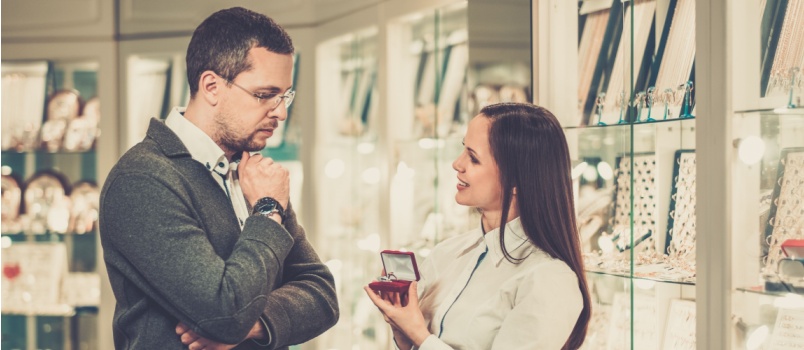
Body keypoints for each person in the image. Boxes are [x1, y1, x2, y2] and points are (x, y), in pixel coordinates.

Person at [99, 7, 338, 350]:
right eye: (264, 95)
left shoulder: (252, 174)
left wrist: (254, 324)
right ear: (211, 86)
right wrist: (268, 209)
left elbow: (322, 294)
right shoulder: (142, 180)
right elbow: (224, 314)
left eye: (285, 95)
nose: (281, 112)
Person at [365, 102, 591, 349]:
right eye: (463, 149)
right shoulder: (446, 253)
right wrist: (402, 329)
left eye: (473, 158)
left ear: (517, 180)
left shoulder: (549, 279)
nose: (457, 164)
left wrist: (418, 333)